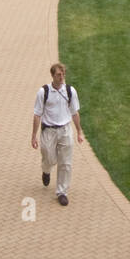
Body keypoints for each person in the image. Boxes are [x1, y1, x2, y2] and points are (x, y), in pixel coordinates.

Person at [31, 62, 84, 206]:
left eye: (63, 74)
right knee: (49, 158)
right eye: (59, 75)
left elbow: (75, 113)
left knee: (65, 163)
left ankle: (62, 192)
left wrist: (79, 131)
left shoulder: (70, 91)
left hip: (65, 130)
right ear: (52, 76)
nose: (62, 77)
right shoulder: (43, 92)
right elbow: (37, 115)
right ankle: (46, 170)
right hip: (48, 130)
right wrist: (34, 136)